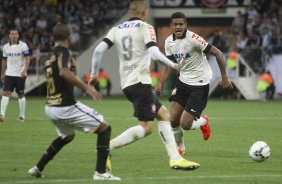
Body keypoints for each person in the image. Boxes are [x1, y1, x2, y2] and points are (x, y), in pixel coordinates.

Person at [89, 0, 199, 171]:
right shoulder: (145, 27)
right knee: (146, 127)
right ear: (144, 12)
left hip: (127, 84)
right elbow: (154, 53)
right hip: (140, 82)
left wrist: (94, 75)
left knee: (163, 115)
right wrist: (173, 65)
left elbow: (98, 51)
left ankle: (174, 157)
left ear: (130, 11)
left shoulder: (116, 30)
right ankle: (107, 148)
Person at [28, 23, 120, 181]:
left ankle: (38, 167)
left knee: (67, 136)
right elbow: (63, 72)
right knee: (105, 128)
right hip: (65, 106)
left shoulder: (49, 55)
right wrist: (87, 88)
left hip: (50, 106)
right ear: (68, 38)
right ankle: (100, 172)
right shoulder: (64, 51)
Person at [155, 12, 233, 155]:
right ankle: (180, 148)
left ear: (185, 25)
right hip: (183, 81)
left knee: (185, 124)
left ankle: (203, 121)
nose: (178, 27)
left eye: (181, 24)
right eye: (175, 24)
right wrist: (161, 83)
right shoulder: (168, 42)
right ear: (171, 26)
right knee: (173, 120)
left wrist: (224, 77)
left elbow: (218, 53)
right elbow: (169, 65)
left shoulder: (194, 39)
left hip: (200, 84)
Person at [0, 28, 30, 123]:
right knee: (5, 93)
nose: (13, 36)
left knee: (20, 94)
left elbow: (27, 59)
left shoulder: (23, 45)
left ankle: (22, 116)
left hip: (20, 73)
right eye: (12, 34)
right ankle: (2, 115)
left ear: (18, 35)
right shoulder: (5, 47)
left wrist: (24, 70)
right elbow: (4, 60)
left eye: (15, 34)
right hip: (9, 73)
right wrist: (3, 73)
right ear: (9, 36)